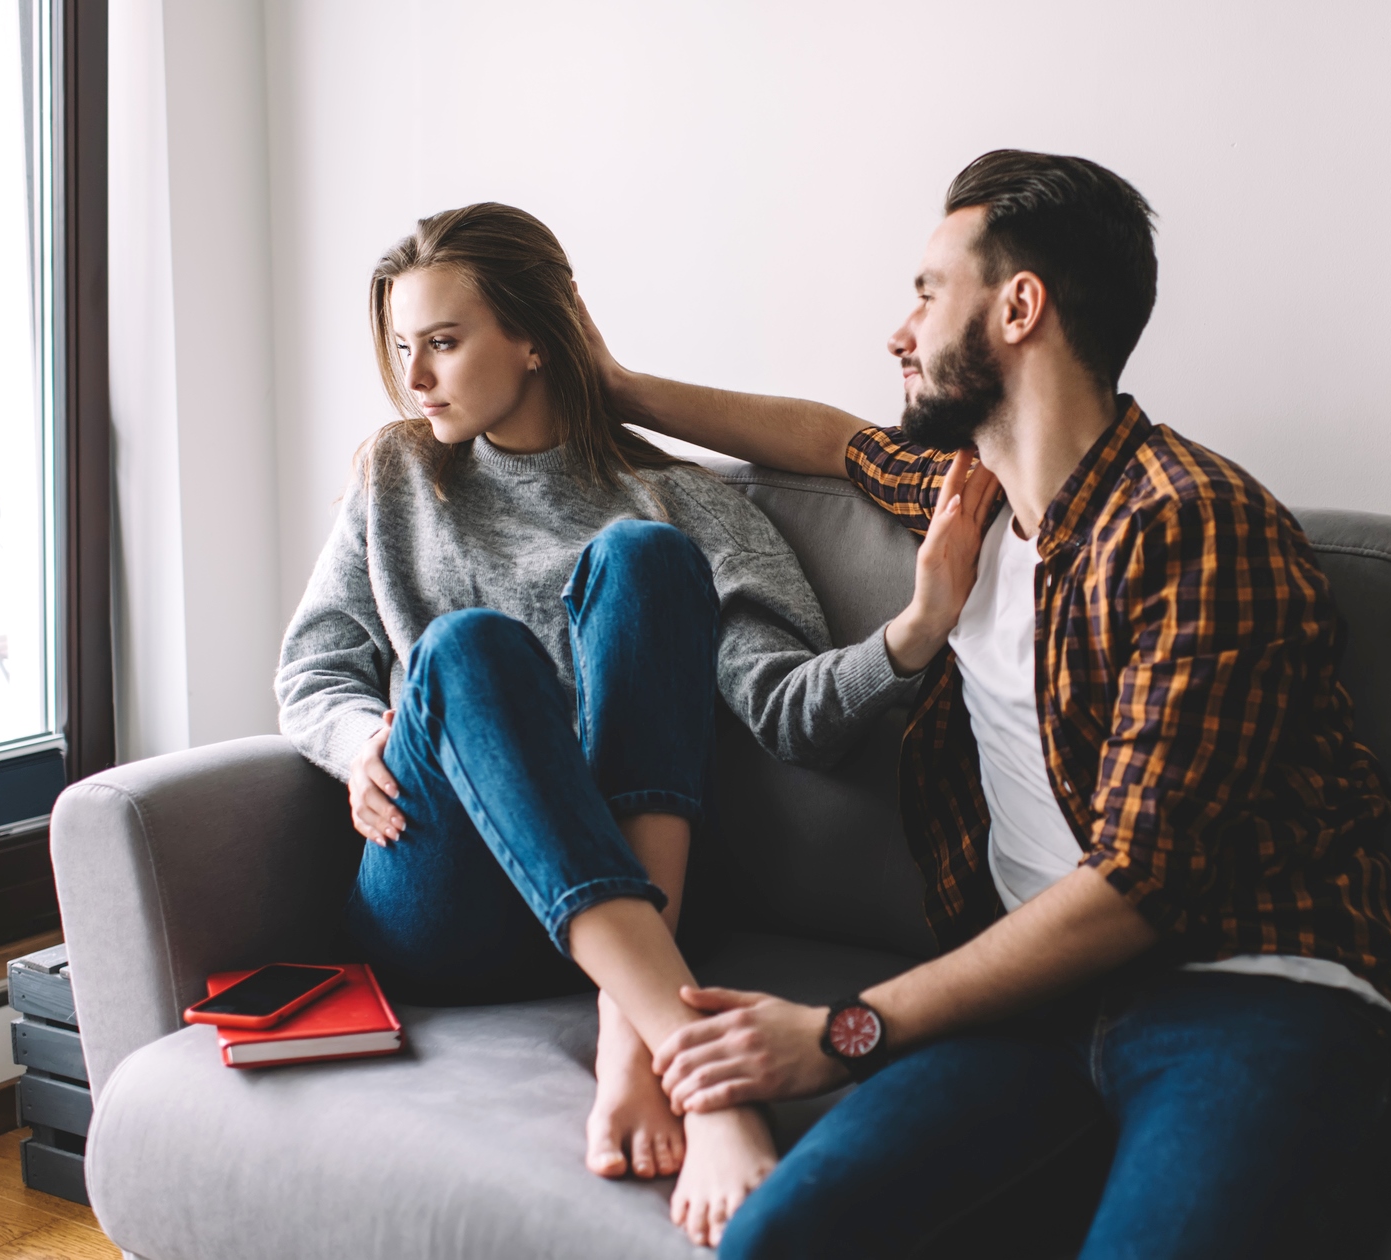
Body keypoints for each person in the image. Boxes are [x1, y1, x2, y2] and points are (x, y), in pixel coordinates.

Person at [585, 150, 1391, 1257]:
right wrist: (614, 388)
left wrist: (843, 1031)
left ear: (1018, 308)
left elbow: (1138, 887)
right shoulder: (966, 495)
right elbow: (832, 440)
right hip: (1029, 1011)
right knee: (774, 1243)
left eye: (926, 292)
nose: (898, 331)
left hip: (1245, 993)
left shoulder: (1190, 524)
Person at [273, 202, 925, 1247]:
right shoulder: (392, 474)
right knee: (464, 648)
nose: (415, 378)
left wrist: (911, 633)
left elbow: (788, 716)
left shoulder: (679, 504)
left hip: (620, 900)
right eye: (401, 348)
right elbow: (314, 667)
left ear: (535, 338)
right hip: (442, 897)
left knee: (643, 558)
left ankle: (633, 1018)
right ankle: (703, 1080)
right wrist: (356, 742)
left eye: (443, 343)